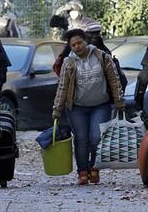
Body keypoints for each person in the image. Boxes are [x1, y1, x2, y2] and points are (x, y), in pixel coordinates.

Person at [52, 29, 125, 185]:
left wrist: (119, 100)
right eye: (73, 45)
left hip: (100, 105)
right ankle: (83, 172)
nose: (77, 47)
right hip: (77, 107)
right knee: (81, 139)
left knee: (96, 138)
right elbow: (63, 86)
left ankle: (94, 168)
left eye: (79, 43)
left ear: (86, 41)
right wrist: (57, 109)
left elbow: (114, 78)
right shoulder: (68, 62)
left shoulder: (101, 56)